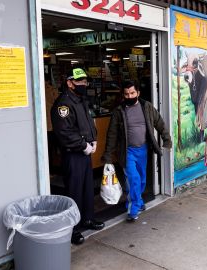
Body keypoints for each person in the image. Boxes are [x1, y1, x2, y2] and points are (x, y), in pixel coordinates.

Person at [102, 81, 172, 222]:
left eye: (132, 93)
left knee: (141, 180)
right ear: (123, 95)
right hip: (127, 151)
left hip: (143, 149)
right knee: (133, 179)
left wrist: (166, 139)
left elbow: (159, 122)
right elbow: (112, 134)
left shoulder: (146, 107)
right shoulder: (119, 112)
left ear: (138, 93)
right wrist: (108, 155)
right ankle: (133, 208)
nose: (130, 96)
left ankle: (138, 200)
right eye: (126, 94)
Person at [51, 68, 104, 245]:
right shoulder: (63, 104)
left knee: (87, 188)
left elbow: (89, 123)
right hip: (73, 155)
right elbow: (65, 132)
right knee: (73, 191)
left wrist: (94, 139)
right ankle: (72, 229)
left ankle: (87, 219)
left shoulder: (81, 100)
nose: (83, 84)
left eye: (84, 81)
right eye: (79, 81)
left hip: (85, 152)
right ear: (69, 83)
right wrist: (84, 145)